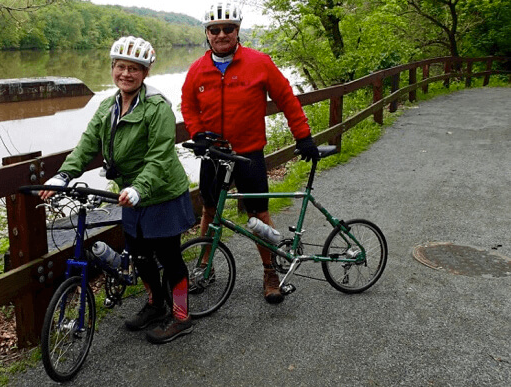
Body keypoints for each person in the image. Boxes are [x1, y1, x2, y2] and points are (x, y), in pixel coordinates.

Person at [39, 36, 196, 344]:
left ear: (145, 73)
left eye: (134, 68)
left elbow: (160, 155)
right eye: (120, 67)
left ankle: (181, 317)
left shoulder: (157, 107)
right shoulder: (108, 105)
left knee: (169, 256)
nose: (126, 73)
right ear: (112, 68)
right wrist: (64, 175)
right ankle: (155, 304)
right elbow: (87, 144)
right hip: (131, 195)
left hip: (161, 193)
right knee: (139, 254)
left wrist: (140, 187)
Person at [181, 2, 319, 304]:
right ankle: (205, 266)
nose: (221, 34)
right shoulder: (197, 69)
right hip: (215, 154)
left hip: (249, 153)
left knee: (259, 213)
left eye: (227, 28)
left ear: (237, 30)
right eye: (215, 30)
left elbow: (286, 99)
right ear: (207, 33)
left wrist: (303, 136)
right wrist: (196, 133)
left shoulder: (259, 63)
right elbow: (188, 105)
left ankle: (270, 272)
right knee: (210, 210)